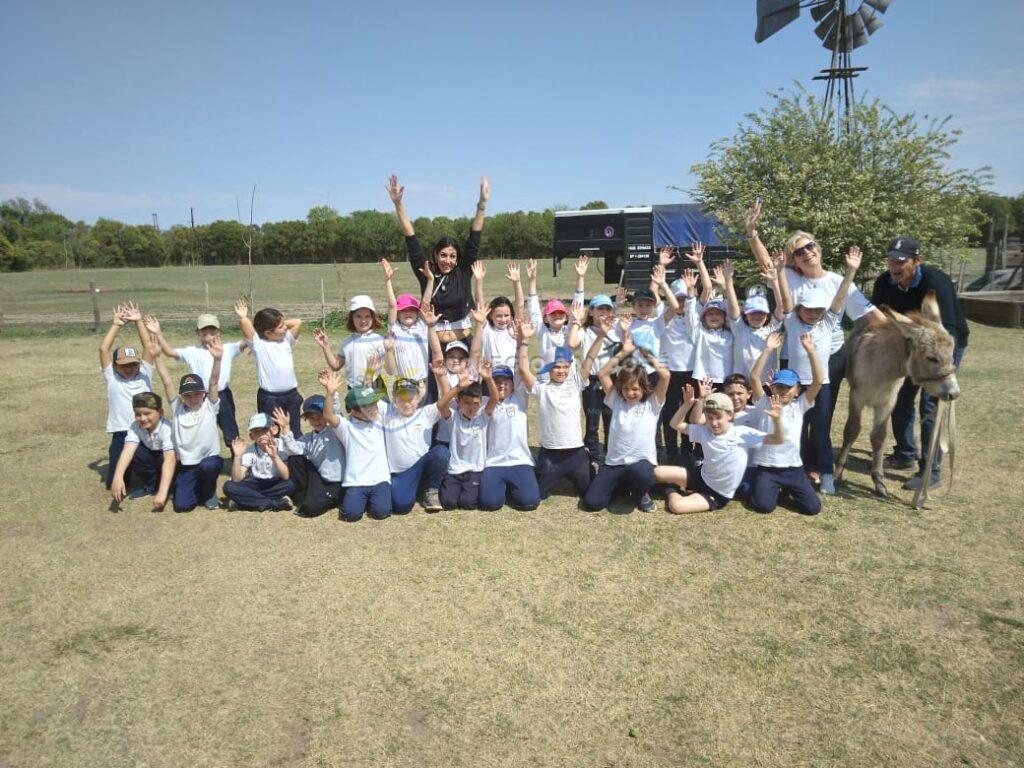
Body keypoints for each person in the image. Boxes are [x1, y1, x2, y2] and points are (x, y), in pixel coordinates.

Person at [746, 200, 884, 434]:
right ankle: (794, 457)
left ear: (818, 249)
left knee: (822, 413)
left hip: (830, 355)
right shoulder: (788, 276)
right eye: (799, 253)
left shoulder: (837, 282)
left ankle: (816, 462)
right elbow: (767, 263)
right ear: (794, 260)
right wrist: (752, 233)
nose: (806, 253)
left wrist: (905, 338)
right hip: (794, 354)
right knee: (792, 409)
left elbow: (872, 314)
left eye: (809, 247)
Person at [870, 237, 970, 490]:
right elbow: (878, 317)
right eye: (891, 259)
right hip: (908, 352)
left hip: (944, 346)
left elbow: (946, 330)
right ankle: (904, 454)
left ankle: (930, 471)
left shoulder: (935, 282)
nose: (895, 265)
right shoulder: (884, 282)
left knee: (930, 407)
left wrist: (946, 365)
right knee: (900, 400)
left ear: (917, 260)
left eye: (901, 260)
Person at [777, 245, 863, 494]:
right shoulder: (792, 321)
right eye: (809, 309)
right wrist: (781, 271)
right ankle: (798, 471)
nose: (813, 313)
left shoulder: (827, 323)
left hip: (820, 384)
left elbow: (839, 297)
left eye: (818, 310)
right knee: (797, 429)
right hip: (795, 386)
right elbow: (785, 298)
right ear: (800, 308)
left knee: (821, 430)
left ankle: (826, 474)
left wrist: (851, 271)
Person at [581, 316, 671, 513]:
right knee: (592, 503)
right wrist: (623, 352)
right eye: (626, 389)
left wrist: (647, 354)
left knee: (642, 473)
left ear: (644, 388)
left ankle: (640, 492)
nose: (631, 393)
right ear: (620, 389)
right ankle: (621, 486)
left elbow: (665, 376)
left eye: (635, 389)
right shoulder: (617, 401)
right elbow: (603, 374)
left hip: (641, 464)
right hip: (615, 463)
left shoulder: (653, 404)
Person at [388, 174, 490, 343]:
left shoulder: (463, 272)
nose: (447, 260)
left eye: (452, 256)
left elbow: (474, 239)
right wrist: (398, 205)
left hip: (463, 344)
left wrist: (482, 205)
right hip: (435, 347)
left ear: (457, 259)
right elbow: (411, 240)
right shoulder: (427, 272)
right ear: (435, 255)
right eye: (443, 255)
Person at [663, 382, 783, 514]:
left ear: (730, 415)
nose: (714, 423)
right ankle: (669, 485)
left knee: (677, 506)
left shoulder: (744, 431)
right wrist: (691, 402)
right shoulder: (707, 429)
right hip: (703, 475)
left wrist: (777, 420)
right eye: (710, 418)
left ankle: (670, 489)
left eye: (718, 418)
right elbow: (680, 423)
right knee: (656, 473)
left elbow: (777, 439)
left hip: (721, 489)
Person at [746, 332, 824, 515]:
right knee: (764, 506)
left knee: (813, 508)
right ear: (772, 387)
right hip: (767, 468)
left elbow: (819, 381)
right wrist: (767, 350)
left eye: (788, 387)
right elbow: (754, 378)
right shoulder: (764, 402)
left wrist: (811, 352)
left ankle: (789, 488)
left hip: (793, 469)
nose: (783, 391)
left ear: (797, 391)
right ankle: (770, 488)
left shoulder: (800, 405)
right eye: (779, 386)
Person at [149, 328, 224, 512]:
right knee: (182, 506)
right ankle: (189, 485)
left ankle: (209, 492)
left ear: (203, 394)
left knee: (208, 467)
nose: (193, 398)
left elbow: (214, 381)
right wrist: (157, 357)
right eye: (188, 395)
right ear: (182, 396)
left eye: (197, 394)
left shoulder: (209, 405)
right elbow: (167, 382)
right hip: (188, 463)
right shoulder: (177, 408)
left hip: (208, 459)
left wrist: (217, 359)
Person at [517, 319, 594, 499]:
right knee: (535, 497)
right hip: (550, 454)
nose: (561, 371)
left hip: (576, 452)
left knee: (592, 498)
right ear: (548, 369)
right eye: (556, 367)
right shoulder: (542, 389)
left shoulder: (575, 383)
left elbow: (590, 359)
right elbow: (522, 369)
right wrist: (525, 341)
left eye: (565, 367)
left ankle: (588, 463)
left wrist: (602, 336)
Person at [146, 312, 247, 445]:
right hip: (198, 397)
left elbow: (249, 340)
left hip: (222, 395)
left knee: (230, 429)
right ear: (197, 332)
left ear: (219, 331)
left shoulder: (228, 348)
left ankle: (237, 458)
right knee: (200, 429)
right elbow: (169, 352)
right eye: (204, 329)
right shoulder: (192, 351)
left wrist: (243, 318)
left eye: (212, 328)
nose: (208, 332)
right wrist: (158, 333)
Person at [379, 364, 460, 514]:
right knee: (401, 506)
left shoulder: (425, 413)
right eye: (401, 399)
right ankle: (413, 487)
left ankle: (431, 489)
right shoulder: (388, 413)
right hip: (401, 472)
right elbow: (372, 395)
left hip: (422, 466)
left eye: (411, 399)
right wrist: (373, 372)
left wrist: (459, 386)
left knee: (441, 452)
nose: (407, 403)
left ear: (418, 399)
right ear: (394, 401)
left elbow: (443, 402)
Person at [319, 373, 393, 522]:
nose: (373, 409)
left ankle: (371, 500)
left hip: (380, 479)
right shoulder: (346, 427)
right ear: (353, 411)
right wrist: (330, 392)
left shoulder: (379, 420)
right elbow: (327, 415)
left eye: (373, 404)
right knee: (350, 515)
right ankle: (360, 501)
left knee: (381, 512)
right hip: (356, 481)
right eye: (367, 407)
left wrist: (368, 379)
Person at [99, 301, 156, 490]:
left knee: (152, 463)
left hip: (146, 430)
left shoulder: (145, 373)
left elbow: (148, 346)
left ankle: (155, 478)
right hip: (121, 432)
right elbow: (103, 349)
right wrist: (116, 325)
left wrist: (139, 321)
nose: (130, 369)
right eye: (124, 365)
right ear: (115, 366)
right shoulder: (112, 378)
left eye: (133, 364)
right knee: (114, 482)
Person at [234, 299, 304, 438]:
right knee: (271, 432)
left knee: (294, 430)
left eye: (284, 325)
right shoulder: (259, 345)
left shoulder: (286, 340)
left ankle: (295, 459)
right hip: (270, 399)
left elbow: (298, 322)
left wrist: (279, 322)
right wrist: (243, 316)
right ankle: (273, 457)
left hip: (291, 396)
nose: (285, 328)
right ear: (268, 333)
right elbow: (246, 326)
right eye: (281, 327)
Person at [478, 361, 541, 512]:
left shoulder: (519, 398)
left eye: (506, 382)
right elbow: (492, 397)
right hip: (494, 463)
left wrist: (522, 341)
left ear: (513, 385)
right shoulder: (485, 402)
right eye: (497, 382)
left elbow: (522, 368)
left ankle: (515, 485)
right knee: (490, 503)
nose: (501, 385)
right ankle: (500, 486)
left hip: (520, 461)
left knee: (530, 502)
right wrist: (487, 378)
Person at [440, 360, 500, 510]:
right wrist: (459, 387)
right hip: (454, 470)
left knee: (468, 504)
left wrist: (488, 378)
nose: (472, 408)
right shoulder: (453, 417)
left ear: (480, 402)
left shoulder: (482, 417)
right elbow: (441, 405)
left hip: (475, 471)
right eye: (467, 403)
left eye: (476, 403)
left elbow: (495, 398)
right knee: (448, 503)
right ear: (458, 402)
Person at [273, 396, 345, 518]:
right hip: (318, 480)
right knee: (295, 458)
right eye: (312, 418)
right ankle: (306, 495)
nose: (316, 421)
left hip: (336, 482)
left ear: (326, 415)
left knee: (310, 508)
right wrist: (285, 428)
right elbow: (292, 449)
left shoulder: (335, 431)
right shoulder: (308, 438)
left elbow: (337, 414)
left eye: (319, 416)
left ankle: (332, 498)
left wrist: (331, 392)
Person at [109, 391, 177, 512]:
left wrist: (162, 493)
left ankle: (168, 487)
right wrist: (118, 477)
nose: (142, 418)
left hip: (168, 460)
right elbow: (128, 450)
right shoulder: (135, 426)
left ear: (160, 412)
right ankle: (150, 485)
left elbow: (170, 460)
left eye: (147, 413)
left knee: (167, 459)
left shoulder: (167, 429)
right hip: (151, 455)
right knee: (134, 452)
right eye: (138, 414)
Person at [659, 270, 699, 466]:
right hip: (671, 372)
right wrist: (663, 284)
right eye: (678, 300)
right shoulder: (664, 317)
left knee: (690, 411)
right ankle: (671, 451)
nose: (681, 304)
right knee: (670, 412)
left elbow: (703, 294)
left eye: (684, 299)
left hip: (692, 371)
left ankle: (687, 449)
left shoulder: (694, 316)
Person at [313, 295, 387, 398]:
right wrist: (325, 346)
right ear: (351, 318)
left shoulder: (379, 340)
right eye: (358, 316)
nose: (363, 320)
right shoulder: (346, 343)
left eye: (367, 316)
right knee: (356, 414)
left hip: (375, 387)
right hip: (354, 389)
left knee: (378, 413)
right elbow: (335, 366)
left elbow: (390, 367)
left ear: (373, 318)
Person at [223, 413, 295, 511]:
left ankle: (246, 502)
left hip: (276, 483)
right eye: (256, 432)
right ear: (251, 436)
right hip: (256, 483)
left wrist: (274, 457)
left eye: (264, 430)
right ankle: (272, 503)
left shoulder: (281, 445)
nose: (261, 435)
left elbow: (285, 476)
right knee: (229, 486)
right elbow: (237, 479)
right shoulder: (250, 450)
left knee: (290, 485)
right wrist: (237, 457)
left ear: (274, 430)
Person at [526, 255, 586, 369]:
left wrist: (581, 277)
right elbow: (533, 310)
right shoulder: (542, 332)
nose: (557, 315)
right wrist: (532, 281)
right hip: (548, 378)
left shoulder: (569, 330)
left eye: (560, 313)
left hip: (568, 379)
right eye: (552, 313)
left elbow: (577, 305)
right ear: (545, 318)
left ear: (566, 317)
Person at [580, 293, 620, 463]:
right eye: (600, 309)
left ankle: (612, 457)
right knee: (592, 422)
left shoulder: (616, 328)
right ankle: (592, 458)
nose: (604, 313)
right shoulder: (585, 331)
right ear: (591, 312)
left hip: (612, 380)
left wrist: (617, 307)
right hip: (591, 381)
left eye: (607, 309)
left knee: (612, 420)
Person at [381, 259, 430, 385]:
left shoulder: (423, 326)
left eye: (412, 310)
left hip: (424, 382)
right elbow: (392, 305)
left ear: (418, 313)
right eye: (403, 310)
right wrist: (388, 280)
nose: (408, 313)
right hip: (404, 384)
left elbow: (425, 305)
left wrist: (430, 281)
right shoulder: (394, 329)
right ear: (398, 313)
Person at [471, 261, 523, 370]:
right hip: (493, 377)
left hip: (512, 378)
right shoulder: (487, 330)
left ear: (512, 315)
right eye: (499, 316)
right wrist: (478, 281)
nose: (503, 319)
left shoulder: (514, 330)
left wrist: (517, 282)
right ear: (490, 316)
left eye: (506, 315)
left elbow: (520, 306)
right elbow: (480, 304)